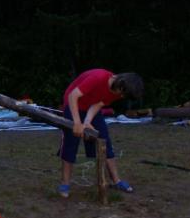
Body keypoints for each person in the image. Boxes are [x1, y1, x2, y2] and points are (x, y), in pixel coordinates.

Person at [58, 69, 144, 198]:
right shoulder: (98, 78)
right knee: (71, 141)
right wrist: (77, 122)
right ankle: (65, 184)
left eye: (123, 96)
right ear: (120, 83)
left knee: (104, 140)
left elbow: (98, 104)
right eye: (122, 93)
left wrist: (87, 121)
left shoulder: (117, 91)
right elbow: (73, 96)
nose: (121, 97)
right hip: (72, 104)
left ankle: (116, 181)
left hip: (90, 107)